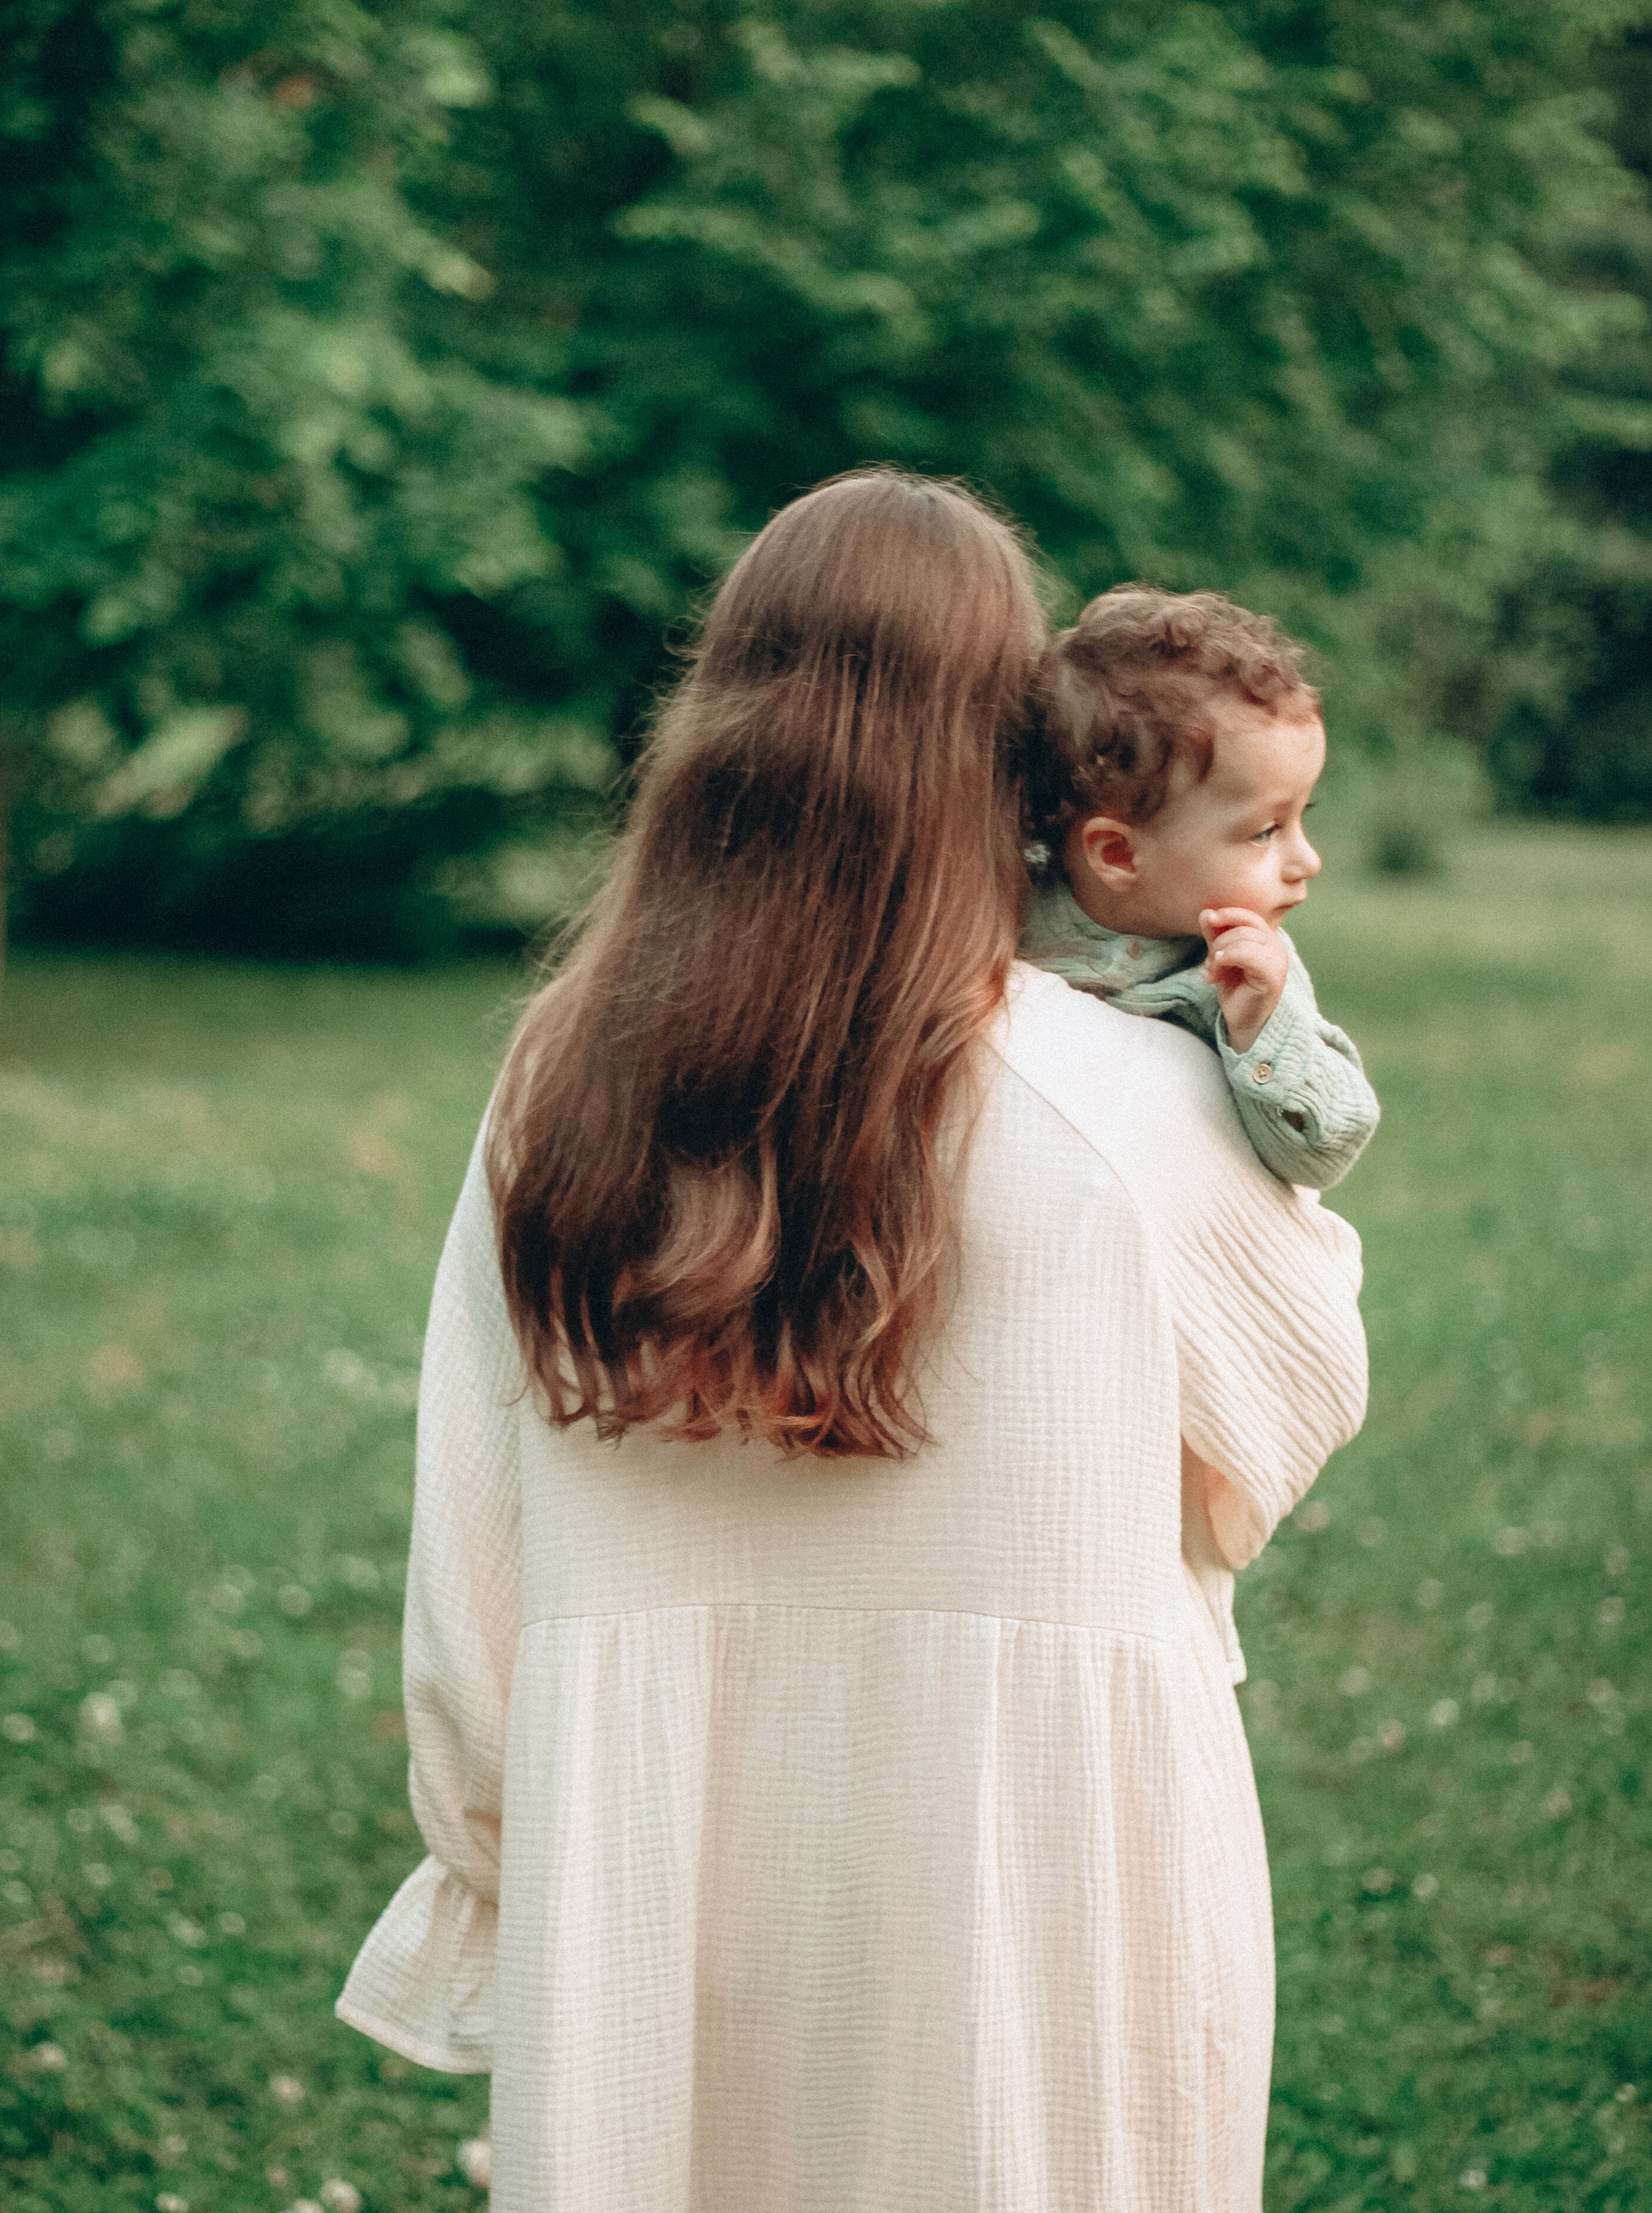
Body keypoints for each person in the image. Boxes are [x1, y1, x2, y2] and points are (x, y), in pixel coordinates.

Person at [335, 471, 1369, 2211]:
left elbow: (472, 1563)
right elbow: (1284, 1406)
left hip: (654, 1896)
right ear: (1009, 764)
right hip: (1032, 1907)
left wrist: (516, 1859)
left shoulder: (558, 1084)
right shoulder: (1120, 1104)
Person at [1021, 585, 1380, 1193]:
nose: (1308, 859)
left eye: (1301, 818)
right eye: (1266, 831)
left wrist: (1260, 1028)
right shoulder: (1006, 906)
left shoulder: (1247, 972)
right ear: (1116, 853)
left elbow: (1329, 1147)